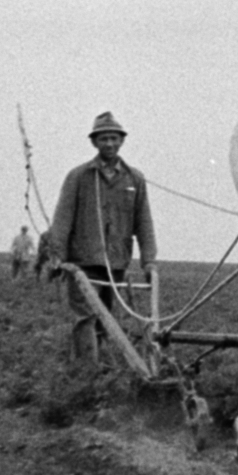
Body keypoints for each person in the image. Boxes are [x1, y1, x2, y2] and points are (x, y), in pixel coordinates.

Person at [46, 111, 157, 363]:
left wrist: (149, 261)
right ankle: (86, 373)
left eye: (114, 138)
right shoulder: (79, 176)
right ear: (94, 142)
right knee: (85, 317)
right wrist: (57, 256)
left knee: (107, 317)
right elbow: (62, 219)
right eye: (104, 139)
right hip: (83, 262)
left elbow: (144, 222)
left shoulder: (135, 179)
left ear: (122, 141)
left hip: (116, 263)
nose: (109, 144)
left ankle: (99, 368)